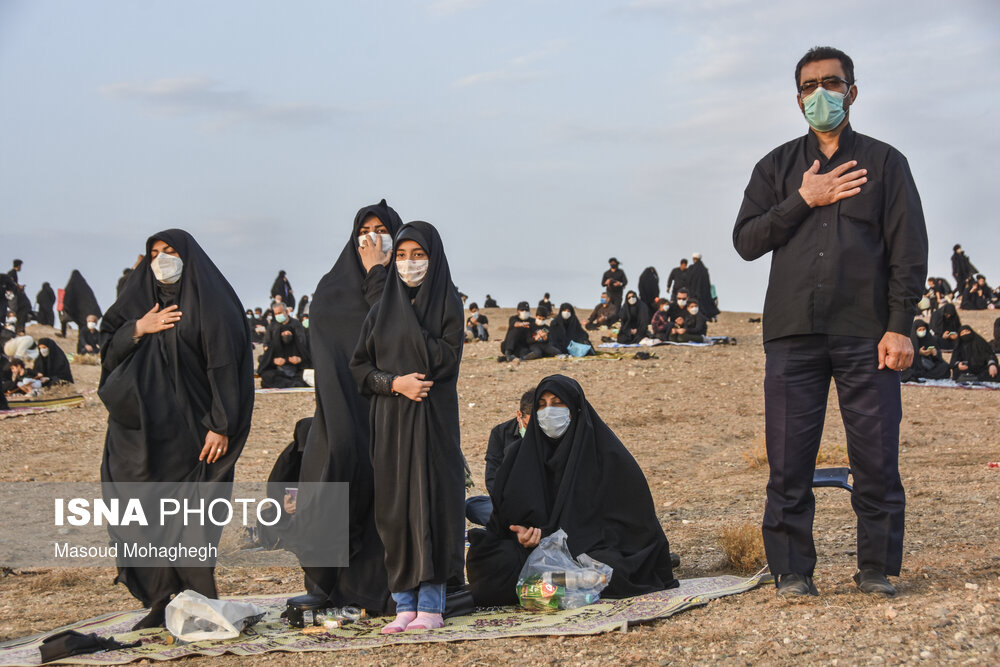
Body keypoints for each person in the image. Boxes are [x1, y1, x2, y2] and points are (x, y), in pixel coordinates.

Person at [733, 46, 928, 598]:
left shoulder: (887, 164)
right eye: (810, 85)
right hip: (793, 335)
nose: (821, 94)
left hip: (867, 334)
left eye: (832, 83)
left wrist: (900, 325)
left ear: (853, 91)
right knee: (788, 462)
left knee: (875, 458)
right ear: (797, 98)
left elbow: (908, 250)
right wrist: (802, 199)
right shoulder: (774, 167)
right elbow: (746, 241)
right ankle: (792, 571)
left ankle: (875, 569)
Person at [98, 229, 254, 629]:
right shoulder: (138, 301)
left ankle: (199, 601)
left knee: (191, 518)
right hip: (138, 435)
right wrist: (138, 328)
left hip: (193, 435)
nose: (162, 259)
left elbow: (225, 367)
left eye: (170, 252)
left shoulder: (211, 304)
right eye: (155, 252)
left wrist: (221, 425)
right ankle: (159, 599)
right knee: (139, 515)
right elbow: (108, 350)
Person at [466, 375, 678, 606]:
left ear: (575, 408)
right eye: (542, 405)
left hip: (590, 547)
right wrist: (520, 534)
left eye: (558, 403)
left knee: (612, 567)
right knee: (491, 562)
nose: (549, 411)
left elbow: (630, 526)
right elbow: (504, 517)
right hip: (534, 549)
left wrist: (552, 538)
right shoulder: (520, 455)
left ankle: (551, 582)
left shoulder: (606, 455)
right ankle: (561, 582)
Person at [351, 220, 465, 633]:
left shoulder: (448, 305)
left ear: (433, 260)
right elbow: (360, 368)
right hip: (392, 422)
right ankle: (404, 604)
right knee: (396, 508)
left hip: (433, 423)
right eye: (400, 255)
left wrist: (403, 328)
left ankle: (432, 605)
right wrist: (394, 383)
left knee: (432, 506)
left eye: (418, 255)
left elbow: (446, 359)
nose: (408, 263)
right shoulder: (382, 310)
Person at [294, 200, 403, 615]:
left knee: (388, 490)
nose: (372, 238)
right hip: (341, 408)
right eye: (365, 230)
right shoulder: (331, 289)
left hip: (392, 407)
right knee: (332, 482)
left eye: (382, 229)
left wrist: (379, 274)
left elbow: (395, 332)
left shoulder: (404, 287)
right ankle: (327, 585)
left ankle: (393, 589)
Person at [465, 390, 534, 526]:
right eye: (528, 426)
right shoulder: (500, 433)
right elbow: (493, 480)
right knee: (473, 506)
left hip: (543, 504)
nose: (533, 432)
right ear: (519, 415)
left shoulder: (550, 434)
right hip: (510, 503)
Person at [256, 323, 310, 388]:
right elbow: (263, 364)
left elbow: (309, 361)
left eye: (288, 333)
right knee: (268, 375)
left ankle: (291, 383)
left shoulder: (298, 346)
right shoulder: (273, 347)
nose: (286, 335)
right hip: (279, 373)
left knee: (309, 374)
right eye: (284, 334)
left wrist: (300, 360)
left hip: (296, 373)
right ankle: (292, 383)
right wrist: (273, 362)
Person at [62, 270, 102, 338]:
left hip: (77, 311)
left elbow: (67, 296)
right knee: (84, 325)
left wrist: (66, 306)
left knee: (66, 321)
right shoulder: (86, 287)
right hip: (87, 312)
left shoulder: (71, 285)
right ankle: (83, 338)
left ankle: (65, 334)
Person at [686, 252, 719, 320]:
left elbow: (688, 280)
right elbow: (707, 282)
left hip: (693, 292)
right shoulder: (704, 269)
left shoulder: (692, 268)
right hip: (704, 292)